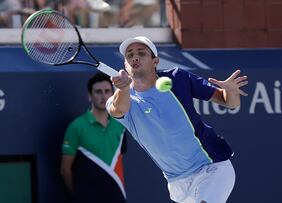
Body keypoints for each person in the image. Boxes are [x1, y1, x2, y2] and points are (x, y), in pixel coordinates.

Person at [106, 36, 249, 203]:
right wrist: (122, 88)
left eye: (141, 53)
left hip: (211, 167)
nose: (135, 57)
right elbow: (118, 109)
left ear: (155, 61)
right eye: (130, 55)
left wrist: (231, 91)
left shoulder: (178, 78)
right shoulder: (121, 99)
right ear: (125, 65)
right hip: (177, 183)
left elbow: (230, 103)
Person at [61, 72, 127, 203]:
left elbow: (119, 159)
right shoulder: (76, 127)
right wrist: (80, 195)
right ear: (89, 96)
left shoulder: (121, 125)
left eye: (107, 91)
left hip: (117, 197)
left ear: (113, 95)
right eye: (98, 92)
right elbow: (65, 169)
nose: (103, 96)